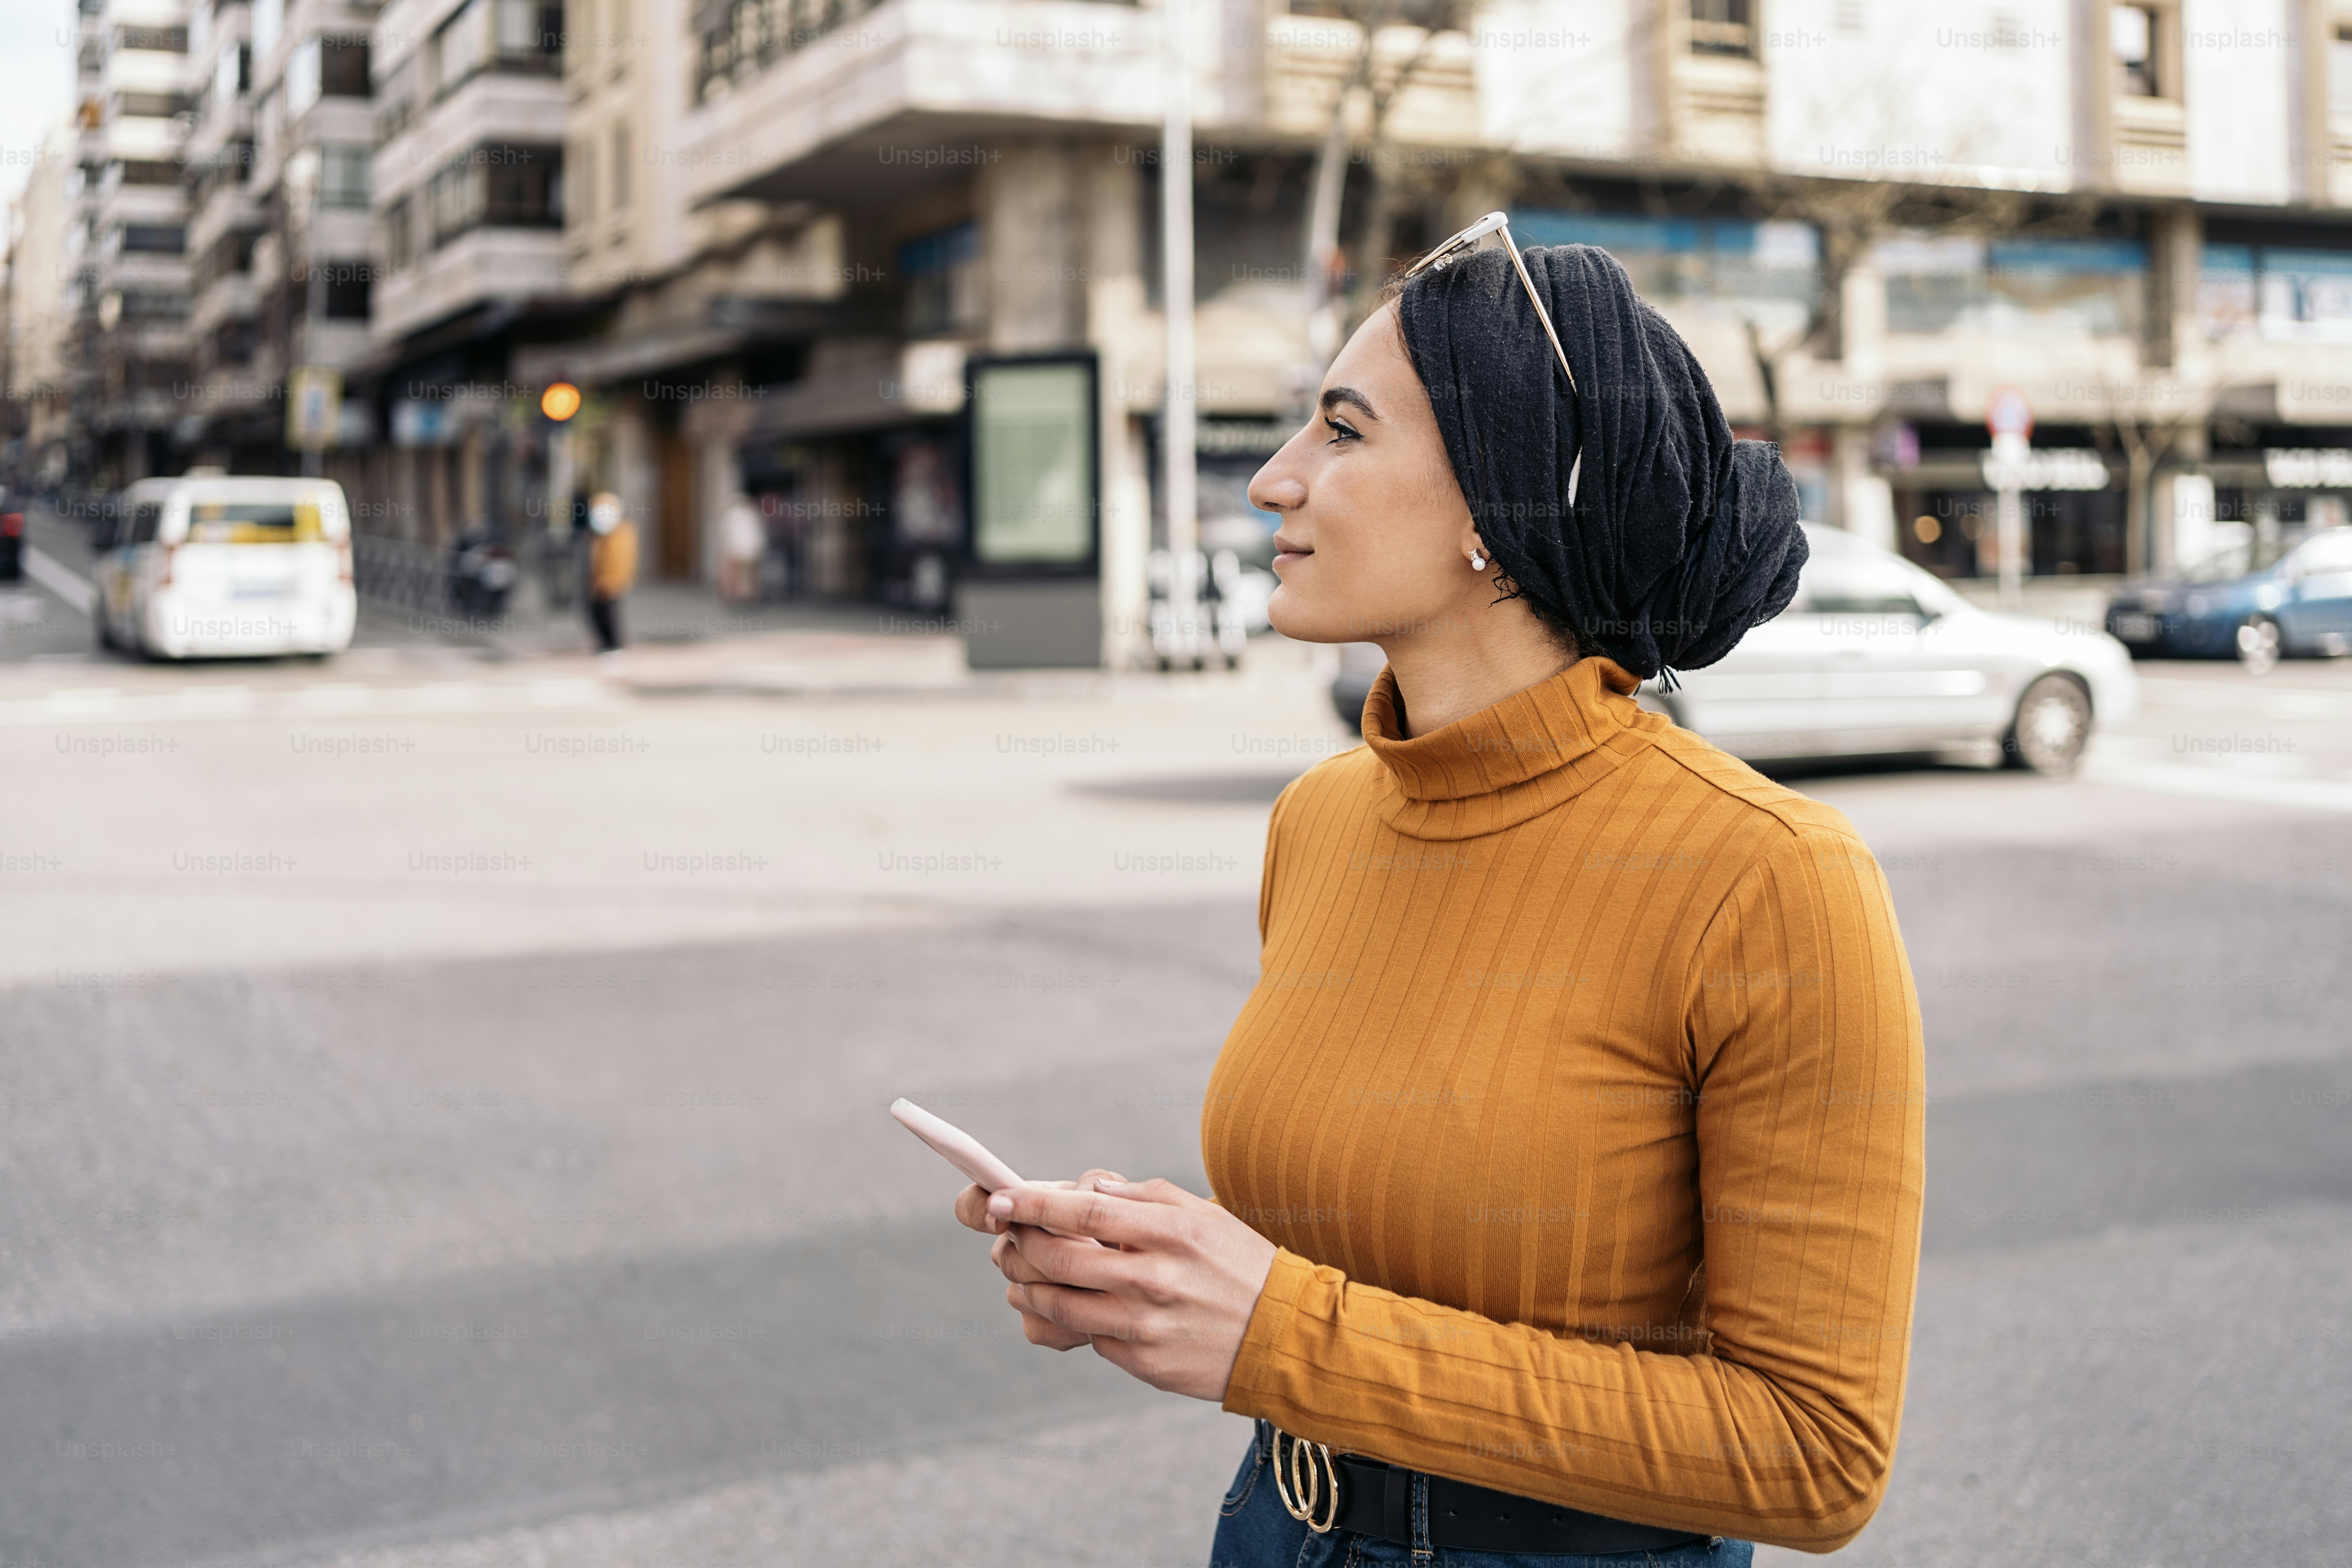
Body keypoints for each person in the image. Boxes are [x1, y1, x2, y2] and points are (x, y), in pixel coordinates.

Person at [953, 230, 1924, 1564]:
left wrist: (1279, 1334)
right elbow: (1379, 1223)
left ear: (1495, 511)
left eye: (1343, 433)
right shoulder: (1322, 818)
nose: (1271, 480)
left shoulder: (1773, 879)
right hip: (1276, 1526)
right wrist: (1146, 1265)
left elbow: (1816, 1454)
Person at [584, 490, 637, 653]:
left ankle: (613, 645)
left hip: (610, 582)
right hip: (597, 581)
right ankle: (607, 644)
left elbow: (622, 560)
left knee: (609, 615)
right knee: (596, 613)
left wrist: (610, 580)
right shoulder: (599, 535)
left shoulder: (623, 533)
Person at [717, 491, 765, 603]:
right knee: (750, 575)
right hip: (753, 549)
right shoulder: (754, 513)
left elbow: (723, 533)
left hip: (738, 548)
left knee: (734, 572)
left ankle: (734, 595)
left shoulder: (732, 514)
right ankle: (749, 595)